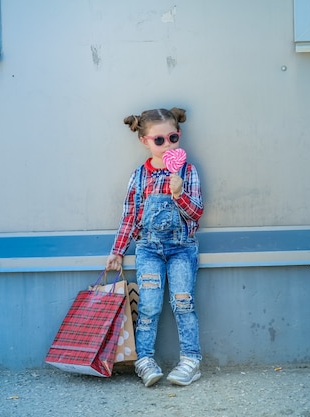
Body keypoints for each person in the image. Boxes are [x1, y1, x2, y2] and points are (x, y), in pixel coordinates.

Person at [106, 107, 204, 388]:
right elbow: (130, 216)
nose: (167, 145)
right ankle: (144, 359)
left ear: (179, 136)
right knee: (148, 306)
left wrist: (179, 193)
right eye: (159, 140)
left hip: (182, 248)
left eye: (173, 138)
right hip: (148, 250)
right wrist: (118, 250)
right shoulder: (138, 176)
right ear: (145, 141)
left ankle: (191, 360)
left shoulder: (188, 171)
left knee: (183, 303)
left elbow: (196, 213)